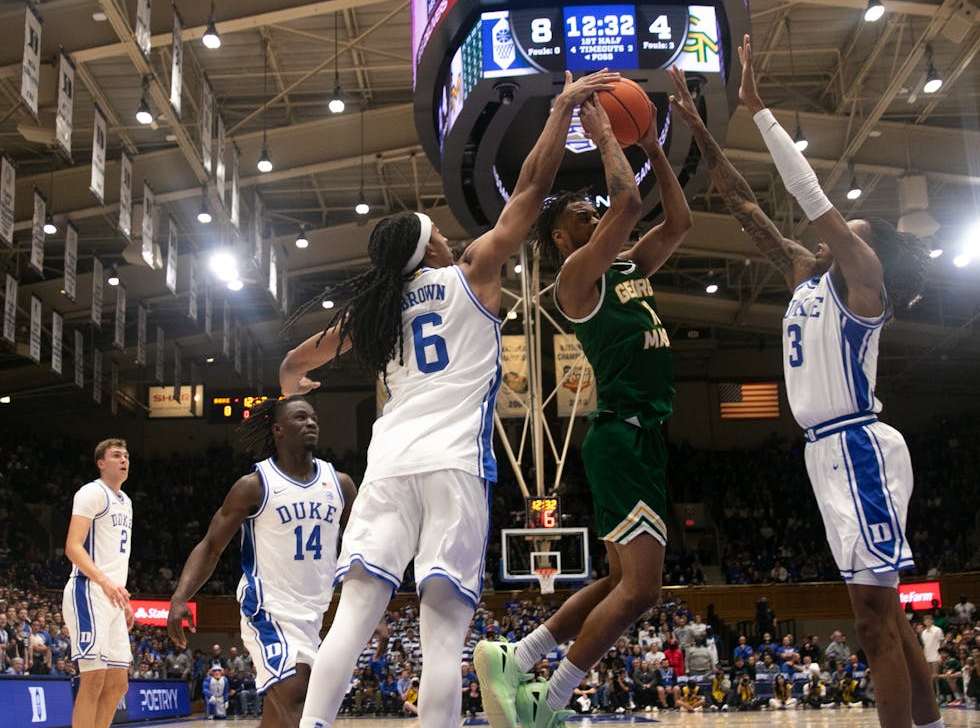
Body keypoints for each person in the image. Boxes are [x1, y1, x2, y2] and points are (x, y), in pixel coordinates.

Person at [280, 69, 621, 728]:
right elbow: (532, 187)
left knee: (351, 616)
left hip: (389, 466)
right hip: (453, 465)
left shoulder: (378, 312)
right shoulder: (473, 273)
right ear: (431, 246)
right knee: (441, 632)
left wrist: (294, 387)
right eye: (436, 231)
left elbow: (298, 360)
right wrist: (561, 111)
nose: (444, 235)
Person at [667, 36, 941, 728]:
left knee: (873, 621)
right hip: (825, 453)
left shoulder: (863, 284)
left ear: (863, 248)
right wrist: (698, 132)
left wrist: (757, 111)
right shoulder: (801, 273)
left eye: (848, 229)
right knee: (882, 607)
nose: (832, 230)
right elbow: (741, 202)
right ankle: (932, 719)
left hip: (858, 446)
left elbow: (808, 193)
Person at [477, 79, 693, 728]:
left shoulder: (627, 267)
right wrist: (604, 136)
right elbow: (628, 199)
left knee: (613, 583)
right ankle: (554, 695)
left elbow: (677, 223)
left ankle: (519, 659)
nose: (595, 216)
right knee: (642, 591)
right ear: (564, 241)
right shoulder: (576, 279)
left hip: (642, 438)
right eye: (581, 217)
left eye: (591, 213)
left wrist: (653, 145)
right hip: (620, 437)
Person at [166, 396, 356, 728]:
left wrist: (370, 604)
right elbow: (211, 546)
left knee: (280, 716)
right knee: (299, 696)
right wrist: (180, 597)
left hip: (315, 613)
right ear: (278, 429)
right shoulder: (255, 486)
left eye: (313, 417)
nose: (311, 423)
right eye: (300, 418)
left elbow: (360, 546)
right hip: (268, 609)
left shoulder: (340, 484)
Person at [62, 438, 135, 728]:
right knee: (93, 680)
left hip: (114, 597)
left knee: (118, 685)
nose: (123, 459)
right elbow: (73, 546)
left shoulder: (126, 501)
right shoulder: (91, 492)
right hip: (89, 590)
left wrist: (123, 601)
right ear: (101, 463)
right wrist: (105, 582)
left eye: (126, 455)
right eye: (116, 455)